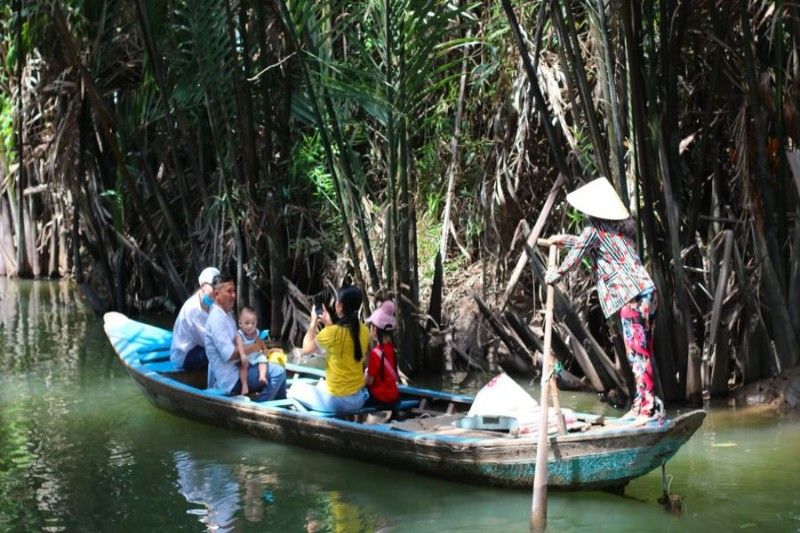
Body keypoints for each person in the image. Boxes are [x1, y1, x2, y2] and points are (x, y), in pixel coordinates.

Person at [544, 177, 663, 423]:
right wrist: (563, 240)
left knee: (637, 355)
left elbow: (577, 255)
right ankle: (643, 404)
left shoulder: (593, 232)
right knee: (642, 352)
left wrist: (555, 275)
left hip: (631, 297)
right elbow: (585, 244)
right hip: (648, 293)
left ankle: (648, 409)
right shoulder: (621, 232)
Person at [204, 273, 286, 401]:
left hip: (240, 368)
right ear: (216, 295)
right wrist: (255, 347)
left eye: (234, 291)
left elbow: (239, 342)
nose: (233, 295)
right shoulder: (216, 319)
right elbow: (230, 354)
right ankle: (261, 408)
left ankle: (281, 405)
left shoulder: (227, 315)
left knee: (276, 368)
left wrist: (261, 348)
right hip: (232, 379)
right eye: (229, 291)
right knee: (278, 372)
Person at [287, 285, 369, 413]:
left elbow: (306, 348)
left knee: (294, 388)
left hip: (337, 402)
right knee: (321, 384)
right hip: (358, 399)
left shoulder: (332, 333)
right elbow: (340, 340)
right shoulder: (364, 330)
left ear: (339, 305)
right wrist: (328, 323)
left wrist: (313, 322)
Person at [170, 267, 219, 370]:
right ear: (202, 286)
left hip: (199, 347)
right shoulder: (193, 309)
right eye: (213, 287)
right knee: (219, 352)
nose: (216, 291)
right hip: (185, 355)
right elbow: (208, 341)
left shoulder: (212, 302)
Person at [364, 300, 399, 405]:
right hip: (393, 396)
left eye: (371, 326)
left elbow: (369, 381)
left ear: (374, 328)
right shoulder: (392, 349)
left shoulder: (375, 353)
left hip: (380, 397)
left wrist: (365, 373)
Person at [235, 307, 269, 396]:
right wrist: (242, 355)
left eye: (253, 323)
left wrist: (265, 349)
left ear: (256, 324)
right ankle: (244, 385)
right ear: (240, 323)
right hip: (246, 357)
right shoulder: (240, 334)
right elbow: (240, 346)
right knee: (243, 367)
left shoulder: (256, 332)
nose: (250, 326)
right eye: (247, 323)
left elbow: (260, 342)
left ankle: (262, 376)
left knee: (263, 359)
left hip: (255, 355)